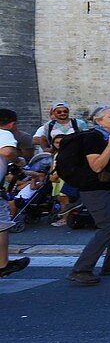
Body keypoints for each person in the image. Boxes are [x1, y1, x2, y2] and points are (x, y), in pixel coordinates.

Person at [68, 106, 110, 286]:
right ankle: (81, 269)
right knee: (109, 225)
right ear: (98, 121)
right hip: (95, 188)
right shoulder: (93, 138)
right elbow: (96, 166)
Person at [0, 109, 30, 278]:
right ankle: (2, 264)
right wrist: (18, 160)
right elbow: (8, 152)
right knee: (2, 226)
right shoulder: (4, 134)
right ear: (12, 123)